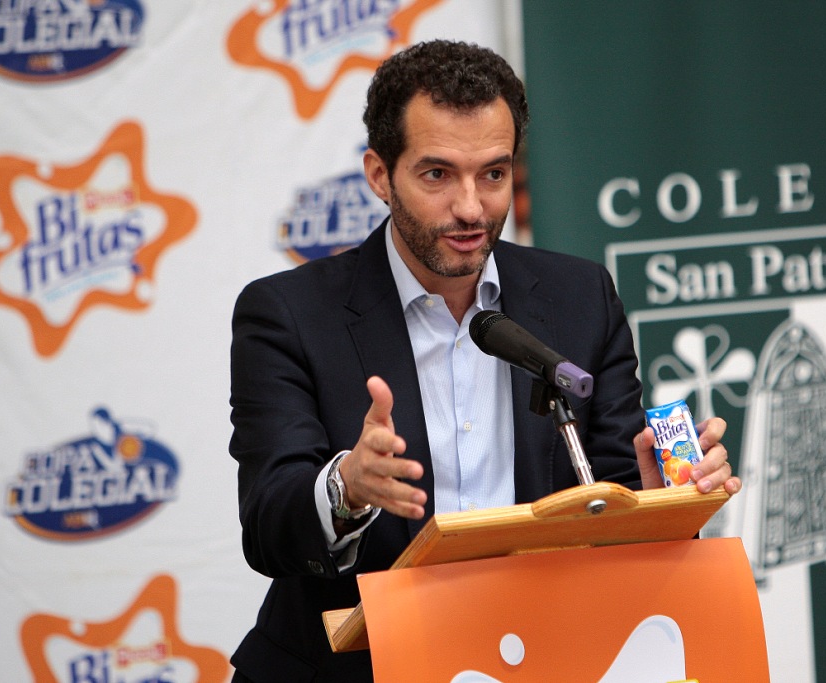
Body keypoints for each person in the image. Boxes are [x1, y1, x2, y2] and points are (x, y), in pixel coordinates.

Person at [228, 39, 740, 683]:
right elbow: (268, 528)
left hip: (539, 658)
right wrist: (347, 488)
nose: (472, 208)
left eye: (493, 174)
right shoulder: (288, 314)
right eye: (438, 174)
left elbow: (611, 495)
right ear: (380, 175)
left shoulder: (580, 298)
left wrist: (662, 502)